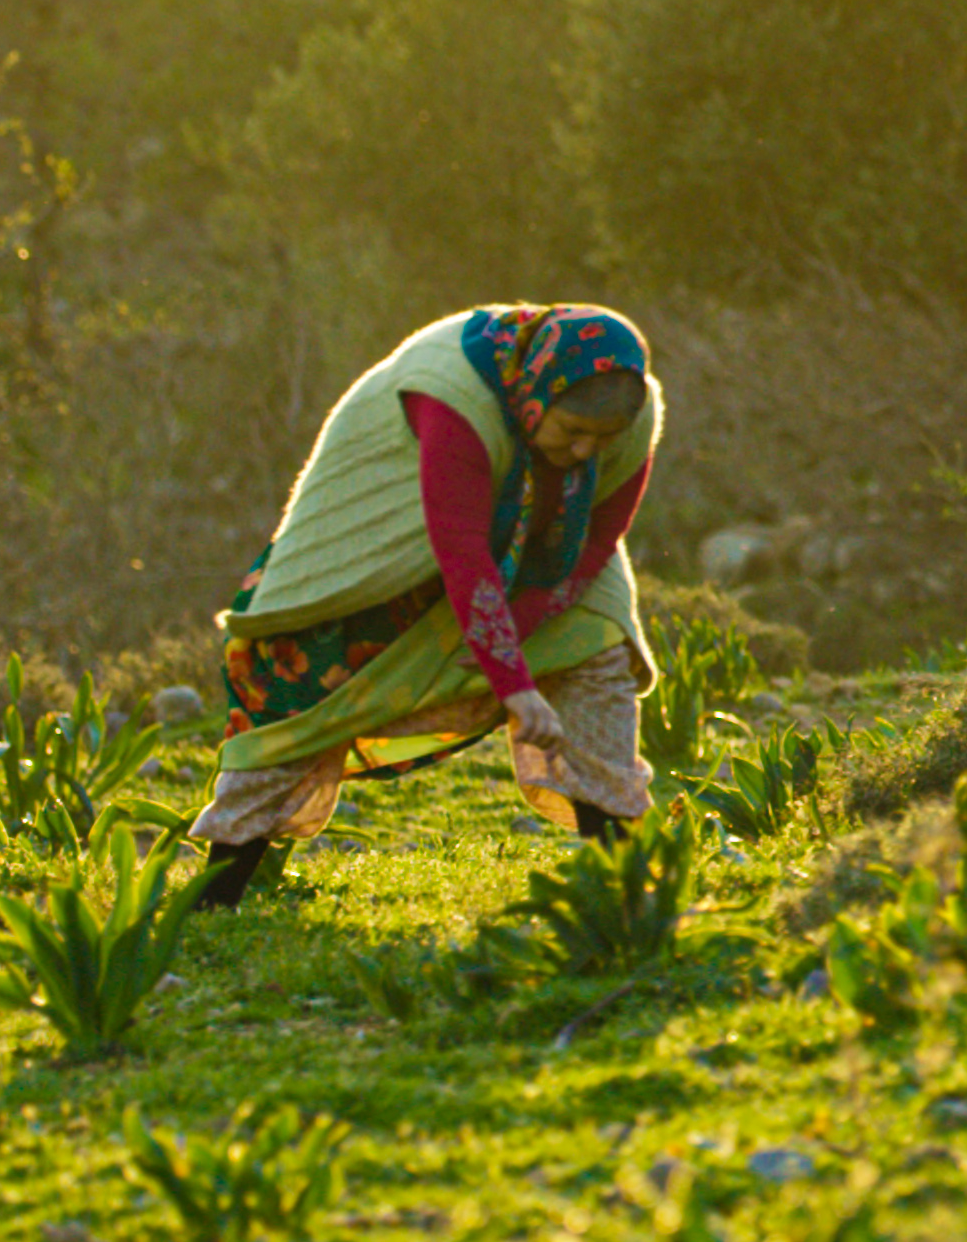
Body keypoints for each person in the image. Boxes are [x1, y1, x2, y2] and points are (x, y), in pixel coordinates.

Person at [183, 302, 664, 908]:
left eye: (603, 441)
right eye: (572, 433)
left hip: (547, 548)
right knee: (301, 688)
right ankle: (218, 889)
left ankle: (622, 882)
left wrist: (529, 621)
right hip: (393, 535)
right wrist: (512, 682)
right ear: (538, 398)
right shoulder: (453, 401)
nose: (583, 454)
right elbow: (463, 550)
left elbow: (597, 537)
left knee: (597, 648)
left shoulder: (633, 419)